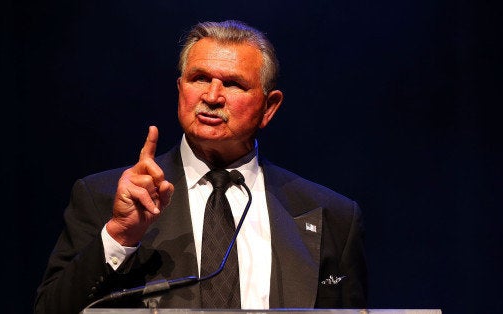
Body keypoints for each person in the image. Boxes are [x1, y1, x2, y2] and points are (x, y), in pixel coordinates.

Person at [34, 20, 367, 313]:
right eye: (199, 78)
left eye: (234, 84)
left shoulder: (331, 215)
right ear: (180, 89)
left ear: (269, 107)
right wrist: (120, 235)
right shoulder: (104, 198)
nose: (212, 95)